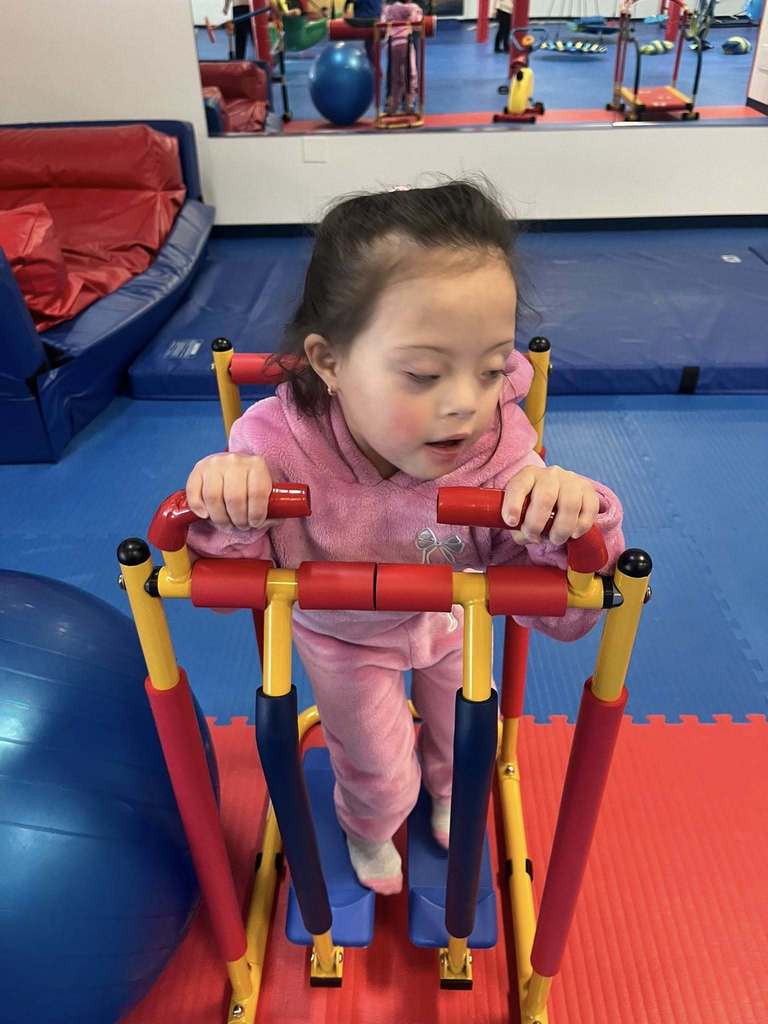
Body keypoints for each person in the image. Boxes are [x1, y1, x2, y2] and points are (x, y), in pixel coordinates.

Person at [186, 181, 624, 896]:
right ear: (328, 363)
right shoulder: (274, 446)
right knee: (375, 765)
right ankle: (366, 821)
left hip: (453, 625)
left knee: (462, 736)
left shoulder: (496, 447)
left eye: (491, 370)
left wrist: (566, 520)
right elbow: (225, 574)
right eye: (423, 373)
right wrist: (226, 502)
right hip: (342, 634)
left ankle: (449, 791)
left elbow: (564, 614)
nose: (465, 402)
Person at [381, 1, 423, 115]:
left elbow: (383, 25)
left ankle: (393, 104)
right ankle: (409, 102)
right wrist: (418, 11)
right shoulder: (412, 8)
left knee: (395, 75)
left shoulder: (388, 9)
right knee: (411, 73)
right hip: (405, 43)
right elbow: (418, 23)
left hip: (392, 44)